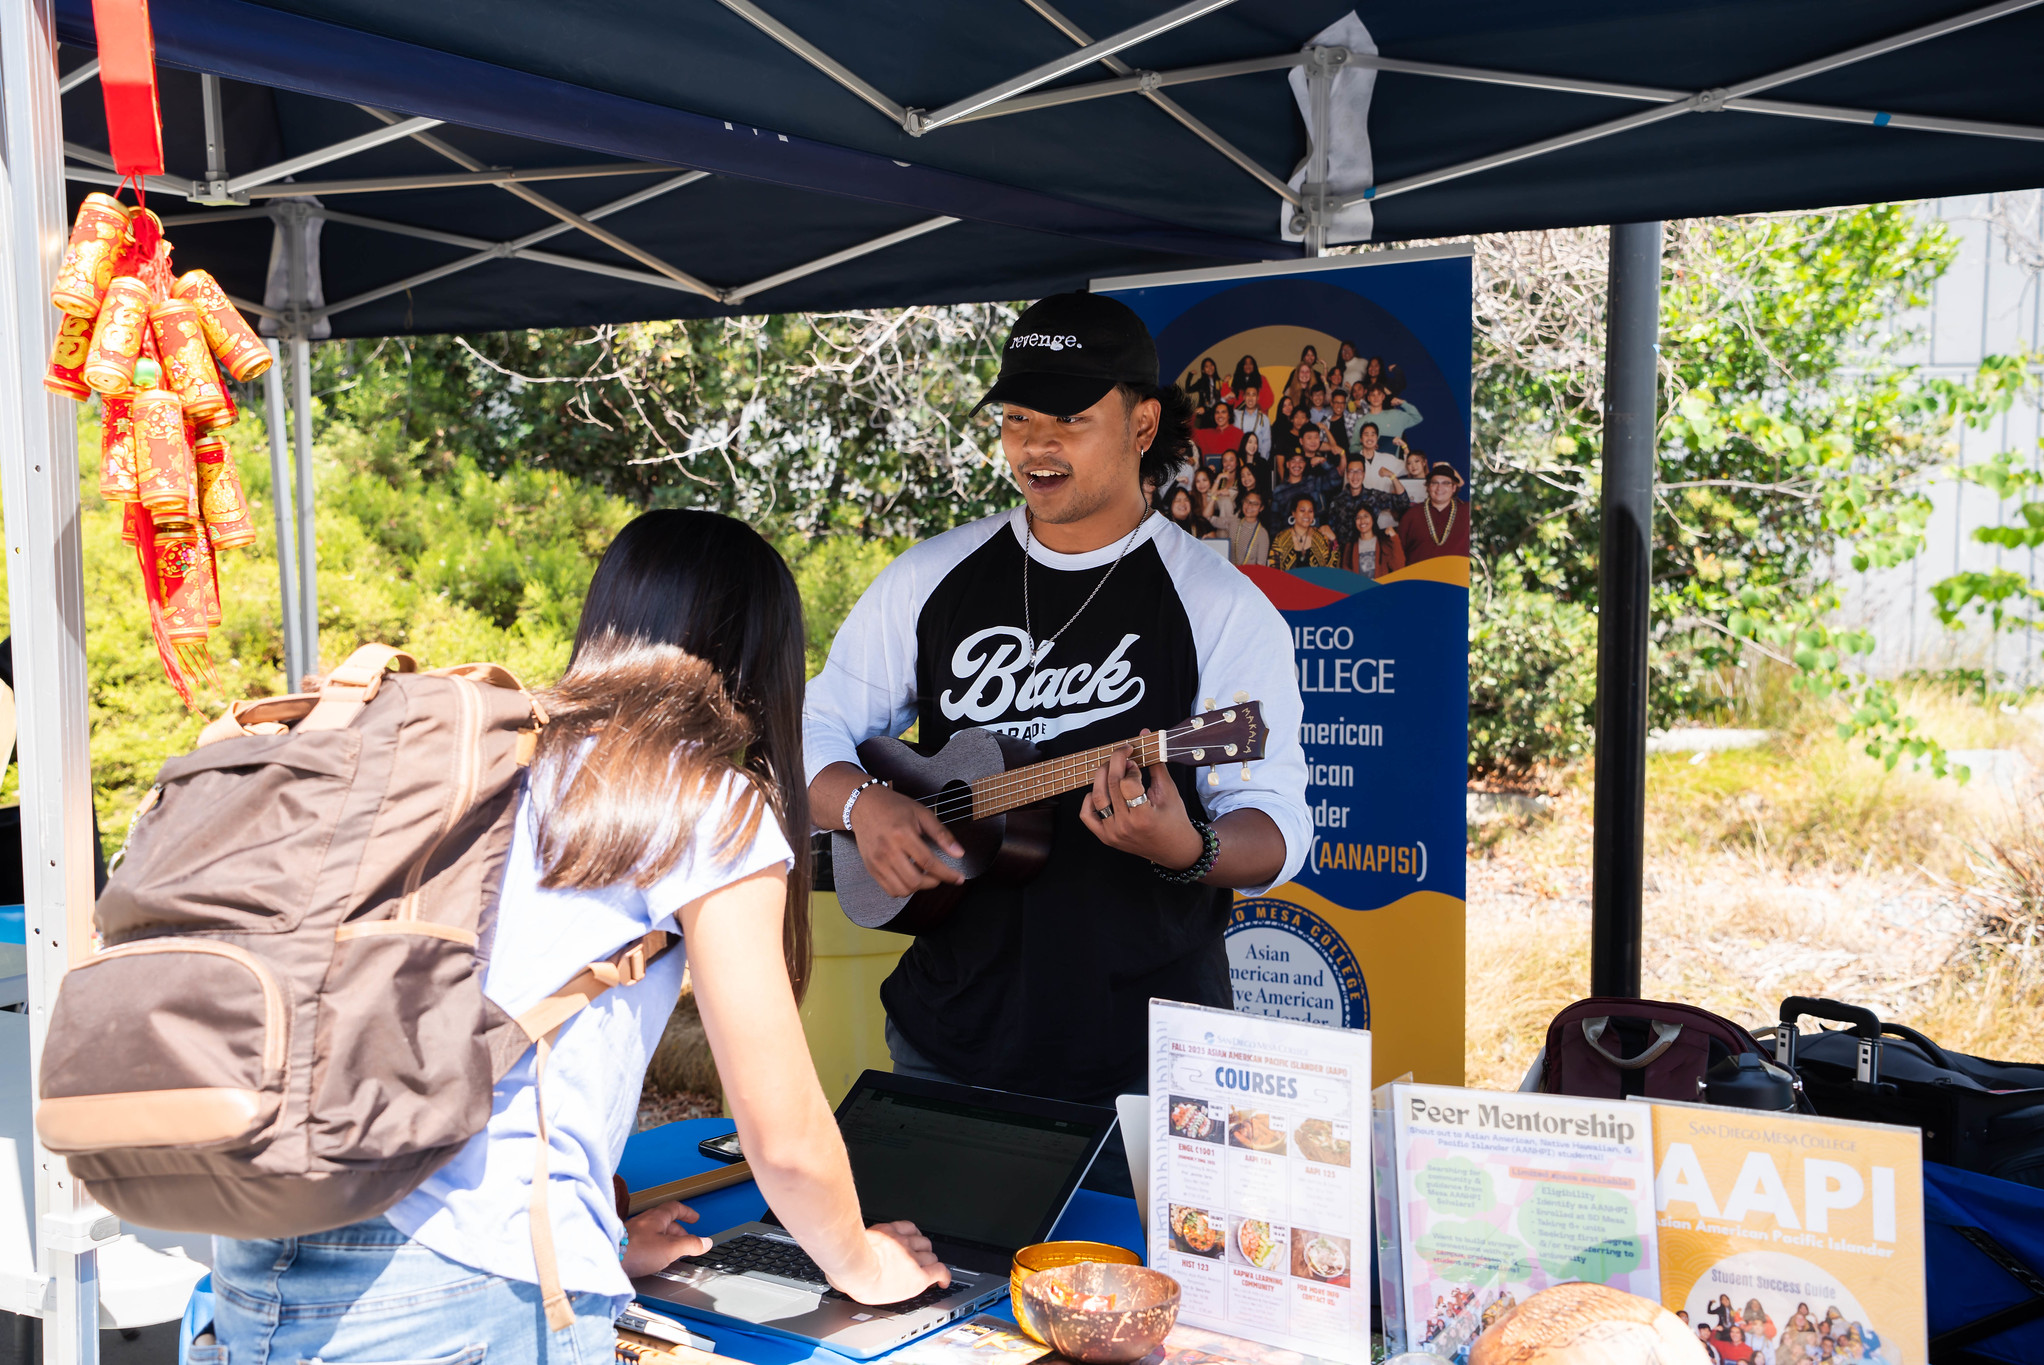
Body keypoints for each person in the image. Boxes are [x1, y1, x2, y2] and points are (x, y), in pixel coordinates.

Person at [211, 512, 950, 1363]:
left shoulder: (488, 755)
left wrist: (594, 1230)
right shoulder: (705, 799)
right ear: (762, 658)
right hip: (470, 1277)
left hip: (271, 1245)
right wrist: (862, 1260)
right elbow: (780, 1133)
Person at [805, 292, 1309, 1106]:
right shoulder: (930, 577)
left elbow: (1278, 824)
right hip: (949, 1035)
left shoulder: (1218, 604)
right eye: (1015, 417)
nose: (1035, 444)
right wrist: (863, 804)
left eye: (1068, 418)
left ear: (1143, 426)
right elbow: (811, 723)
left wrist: (1190, 848)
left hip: (1149, 1062)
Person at [1395, 462, 1467, 566]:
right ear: (1428, 486)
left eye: (1445, 483)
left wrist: (1447, 466)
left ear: (1454, 488)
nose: (1439, 488)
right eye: (1434, 483)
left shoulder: (1465, 511)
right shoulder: (1411, 514)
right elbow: (1398, 551)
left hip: (1454, 579)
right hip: (1419, 578)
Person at [1269, 495, 1338, 570]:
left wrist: (1334, 540)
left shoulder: (1321, 537)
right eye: (1302, 510)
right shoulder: (1281, 539)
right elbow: (1273, 570)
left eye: (1310, 511)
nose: (1306, 515)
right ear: (1293, 513)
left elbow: (1332, 567)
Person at [1268, 450, 1320, 534]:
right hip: (1288, 538)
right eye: (1293, 461)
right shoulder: (1279, 491)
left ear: (1305, 464)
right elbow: (1274, 522)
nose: (1297, 465)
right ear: (1287, 464)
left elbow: (1335, 479)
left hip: (1312, 536)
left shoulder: (1312, 482)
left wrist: (1323, 461)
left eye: (1301, 461)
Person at [1229, 489, 1271, 567]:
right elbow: (1209, 518)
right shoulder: (1233, 523)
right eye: (1247, 501)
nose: (1249, 506)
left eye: (1255, 504)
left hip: (1250, 576)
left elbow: (1261, 567)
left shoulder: (1262, 534)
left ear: (1261, 508)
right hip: (1231, 574)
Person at [1227, 354, 1273, 418]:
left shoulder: (1261, 379)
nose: (1248, 366)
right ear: (1241, 366)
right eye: (1245, 364)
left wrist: (1256, 407)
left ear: (1254, 366)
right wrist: (1225, 384)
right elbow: (1230, 401)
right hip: (1239, 418)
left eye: (1250, 363)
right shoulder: (1237, 381)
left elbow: (1269, 399)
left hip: (1257, 416)